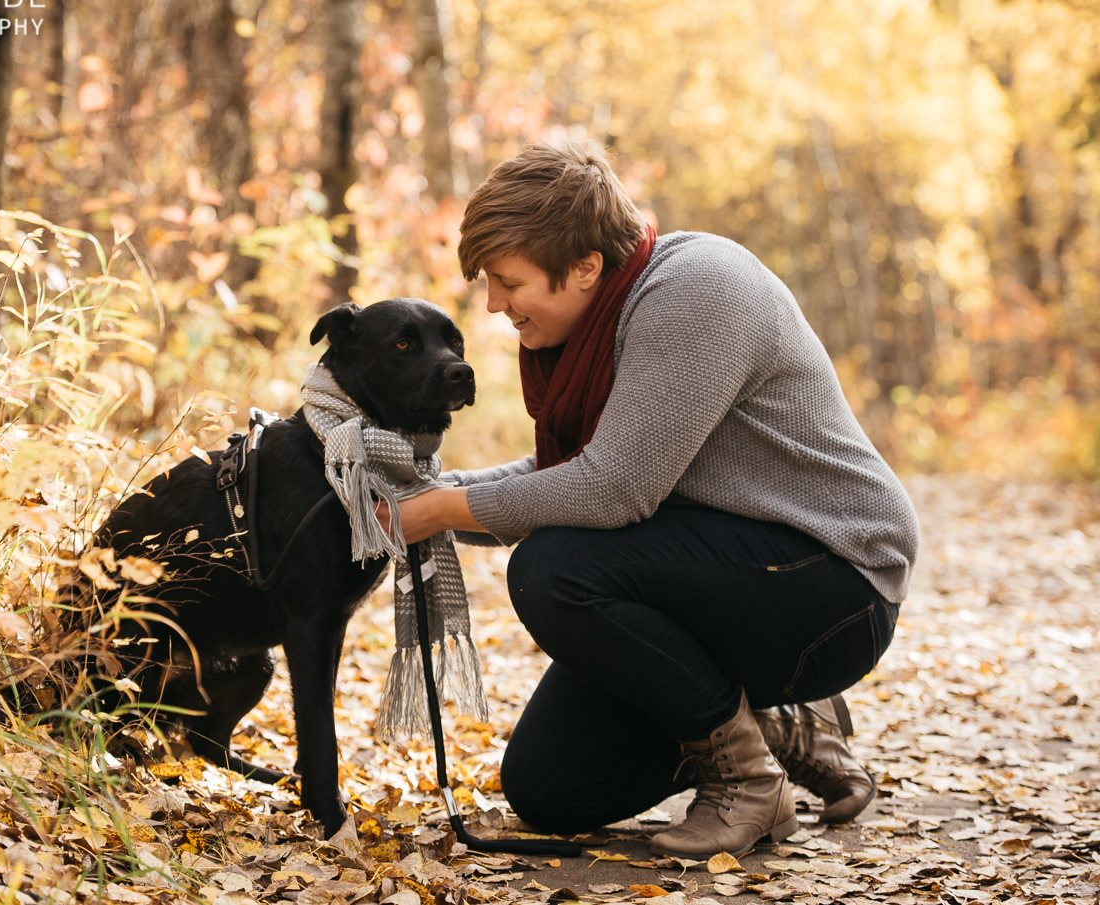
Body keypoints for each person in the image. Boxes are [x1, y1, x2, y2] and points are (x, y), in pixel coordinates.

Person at [392, 140, 919, 856]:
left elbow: (613, 487)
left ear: (584, 268)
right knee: (550, 788)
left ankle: (745, 783)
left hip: (833, 582)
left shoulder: (697, 287)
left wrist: (443, 512)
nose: (494, 304)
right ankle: (776, 723)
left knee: (554, 569)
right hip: (728, 574)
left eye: (508, 281)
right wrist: (440, 491)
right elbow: (581, 469)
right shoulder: (599, 316)